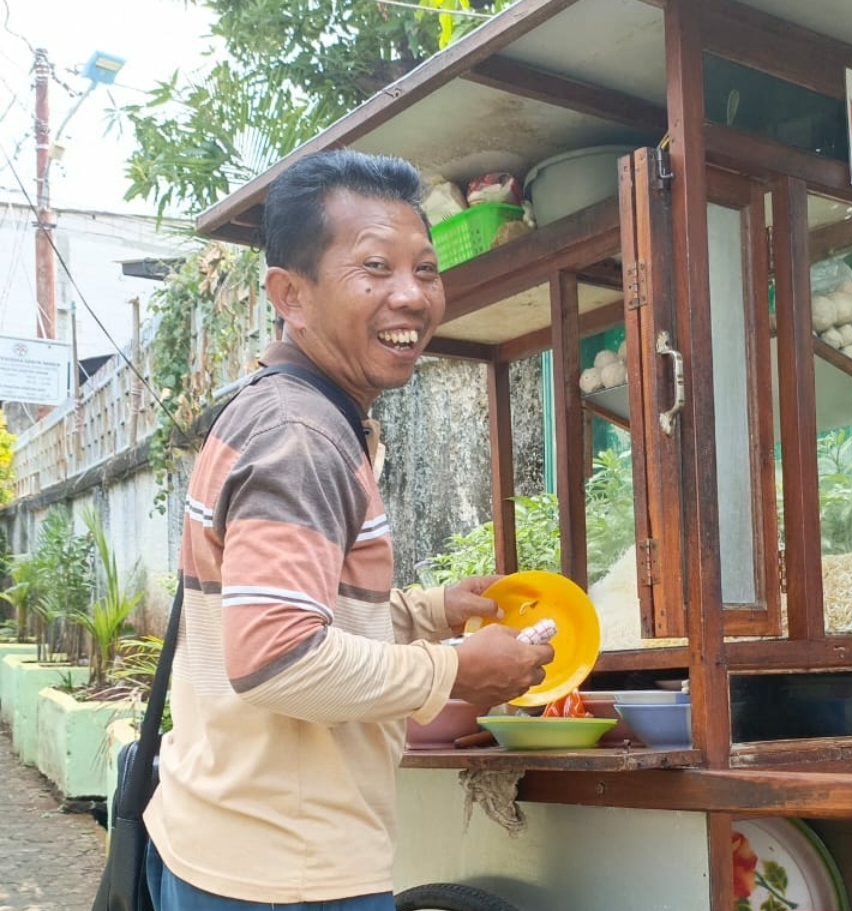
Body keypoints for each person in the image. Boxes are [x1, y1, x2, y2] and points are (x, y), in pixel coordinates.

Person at [143, 149, 555, 911]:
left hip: (226, 845)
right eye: (374, 267)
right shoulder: (301, 436)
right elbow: (278, 659)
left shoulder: (290, 414)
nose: (411, 296)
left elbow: (289, 613)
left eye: (425, 270)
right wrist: (455, 670)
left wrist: (428, 613)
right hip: (279, 875)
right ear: (290, 295)